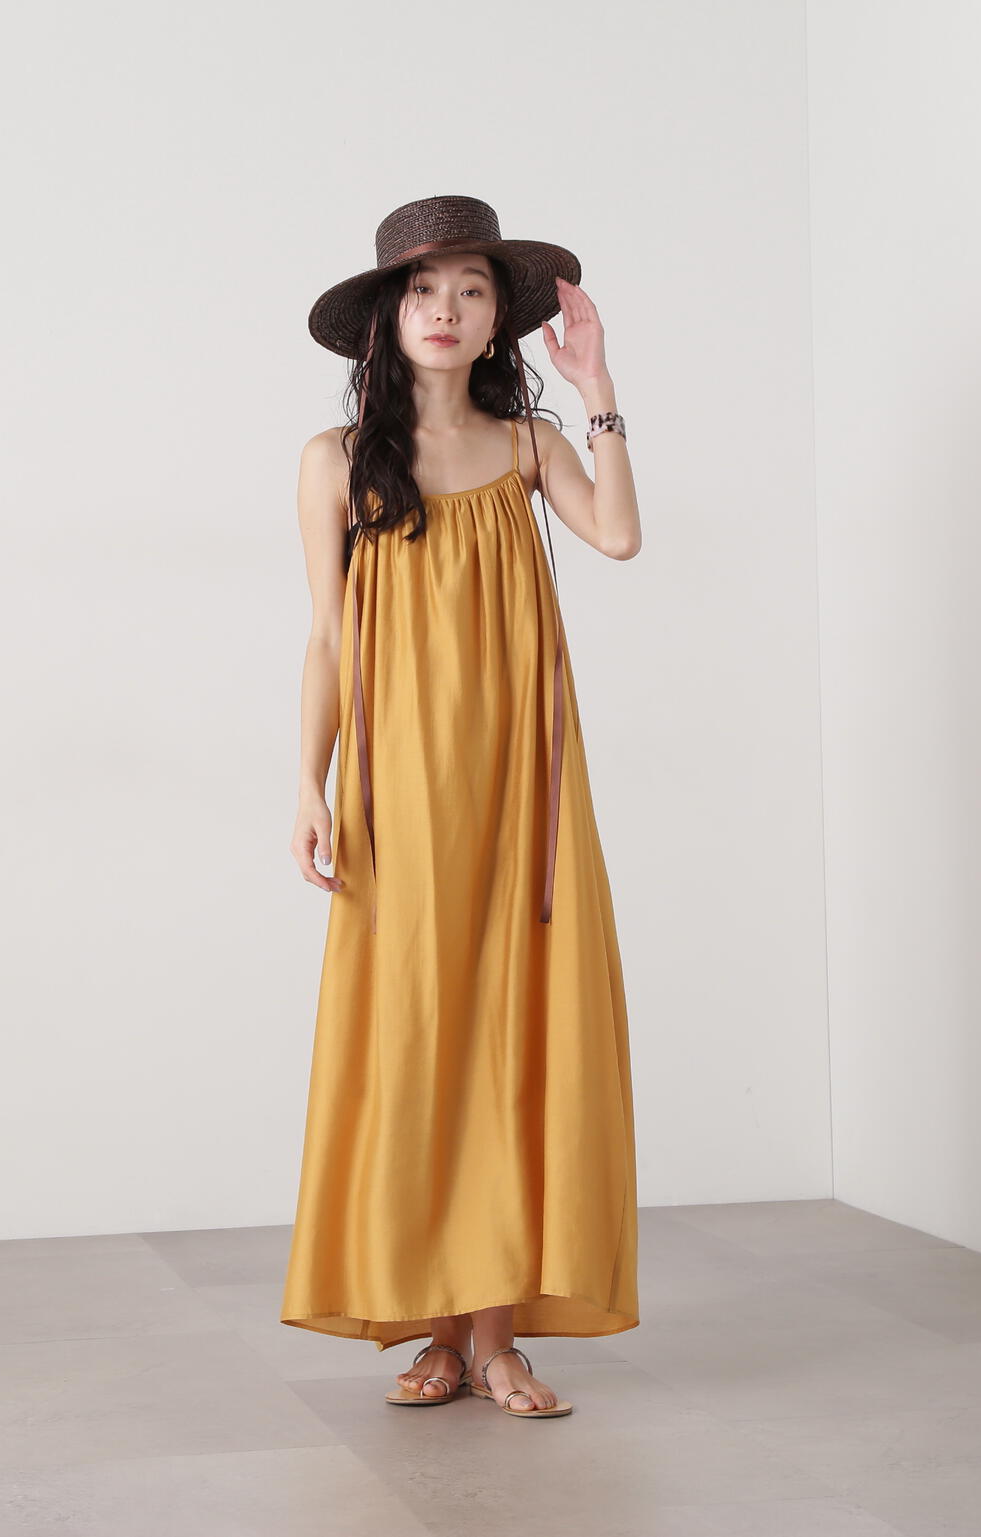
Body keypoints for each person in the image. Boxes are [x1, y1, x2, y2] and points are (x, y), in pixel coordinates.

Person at [280, 195, 641, 1420]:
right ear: (389, 313)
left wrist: (595, 388)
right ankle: (433, 1324)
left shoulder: (530, 445)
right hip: (399, 792)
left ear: (499, 321)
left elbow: (618, 535)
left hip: (521, 789)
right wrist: (308, 783)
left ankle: (490, 1339)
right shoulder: (334, 461)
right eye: (424, 287)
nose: (445, 308)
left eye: (471, 289)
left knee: (510, 1033)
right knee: (418, 1036)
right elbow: (328, 639)